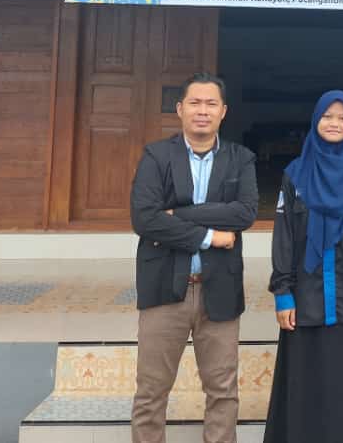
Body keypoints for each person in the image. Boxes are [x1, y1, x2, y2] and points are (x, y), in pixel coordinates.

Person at [129, 71, 258, 443]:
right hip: (164, 290)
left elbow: (245, 213)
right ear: (180, 109)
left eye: (211, 104)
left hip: (219, 290)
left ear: (223, 112)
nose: (203, 111)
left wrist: (180, 214)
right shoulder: (157, 155)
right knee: (151, 393)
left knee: (222, 391)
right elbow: (144, 219)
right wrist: (209, 237)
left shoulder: (241, 158)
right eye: (195, 103)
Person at [265, 90, 343, 443]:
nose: (334, 124)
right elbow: (284, 236)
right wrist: (283, 293)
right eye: (327, 116)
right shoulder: (296, 175)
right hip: (306, 301)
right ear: (315, 121)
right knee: (305, 388)